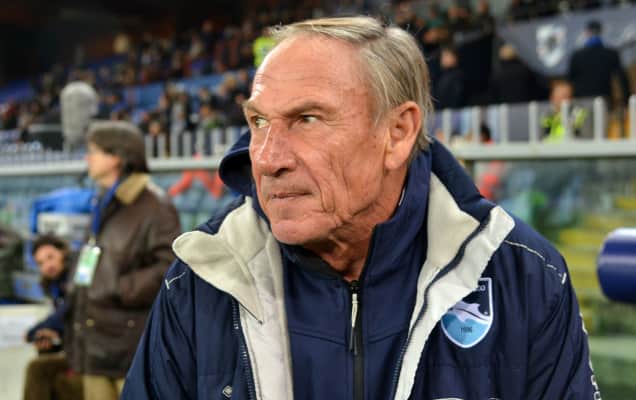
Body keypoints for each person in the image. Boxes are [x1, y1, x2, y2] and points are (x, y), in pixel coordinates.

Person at [122, 16, 600, 399]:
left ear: (397, 132)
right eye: (259, 121)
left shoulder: (524, 274)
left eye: (307, 119)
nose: (265, 159)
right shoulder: (202, 276)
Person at [67, 121, 181, 400]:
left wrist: (118, 288)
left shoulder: (155, 206)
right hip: (95, 342)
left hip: (128, 347)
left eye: (94, 151)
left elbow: (170, 266)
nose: (87, 158)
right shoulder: (104, 201)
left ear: (116, 156)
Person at [24, 234, 83, 400]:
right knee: (43, 356)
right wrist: (52, 337)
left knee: (37, 369)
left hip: (89, 354)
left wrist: (38, 330)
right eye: (40, 263)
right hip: (74, 351)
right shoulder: (54, 287)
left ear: (63, 252)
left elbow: (68, 312)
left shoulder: (79, 277)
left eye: (50, 257)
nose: (47, 266)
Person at [568, 20, 630, 108]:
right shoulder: (611, 53)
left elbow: (570, 80)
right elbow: (622, 79)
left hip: (581, 101)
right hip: (604, 100)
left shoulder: (577, 56)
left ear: (587, 33)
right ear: (601, 32)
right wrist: (626, 100)